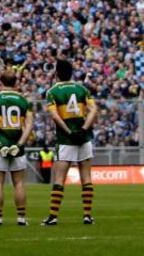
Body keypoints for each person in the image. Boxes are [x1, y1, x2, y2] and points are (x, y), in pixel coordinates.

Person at [42, 59, 98, 226]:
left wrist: (69, 131)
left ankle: (53, 216)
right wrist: (84, 128)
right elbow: (94, 109)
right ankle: (87, 215)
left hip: (66, 139)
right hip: (84, 137)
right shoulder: (82, 89)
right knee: (86, 177)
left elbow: (55, 116)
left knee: (59, 178)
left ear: (57, 72)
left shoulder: (52, 91)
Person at [0, 69, 33, 226]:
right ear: (16, 82)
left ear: (1, 82)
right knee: (18, 183)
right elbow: (29, 125)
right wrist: (20, 144)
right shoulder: (24, 101)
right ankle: (21, 218)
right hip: (17, 145)